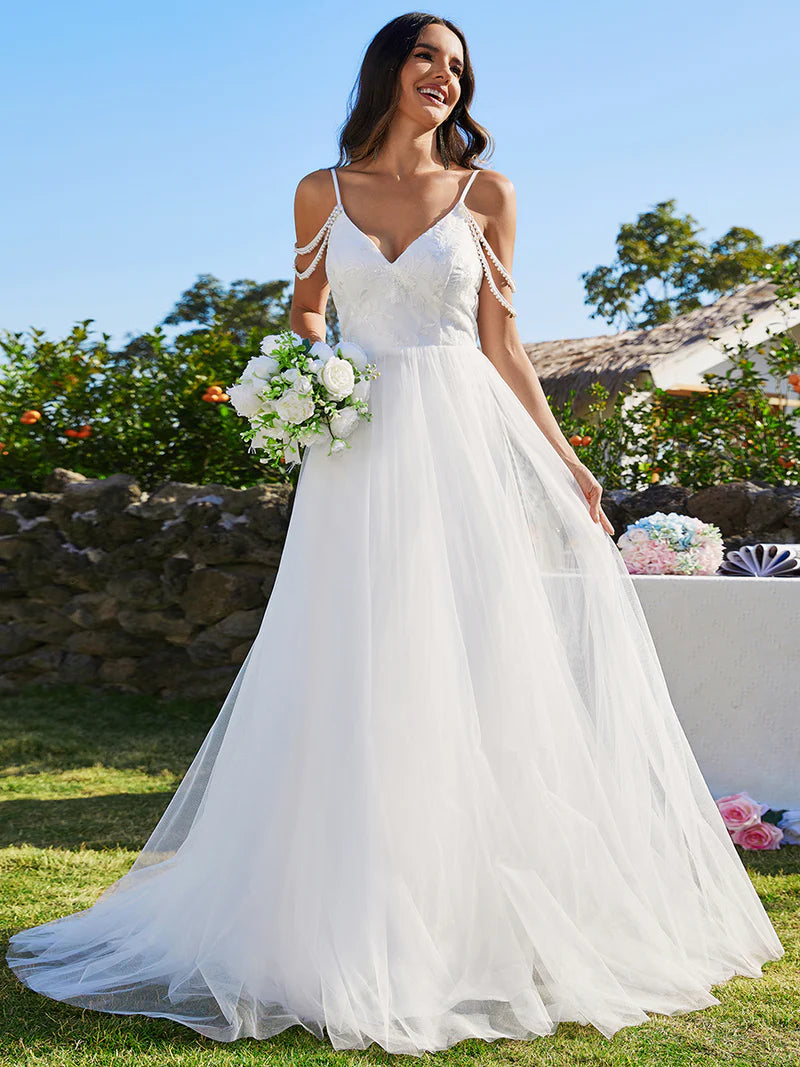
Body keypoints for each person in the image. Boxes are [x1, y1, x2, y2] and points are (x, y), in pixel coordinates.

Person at [6, 11, 784, 1057]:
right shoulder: (316, 191)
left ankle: (467, 907)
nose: (445, 78)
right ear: (387, 69)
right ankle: (322, 911)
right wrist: (301, 385)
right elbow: (305, 315)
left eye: (458, 67)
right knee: (347, 660)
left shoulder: (486, 195)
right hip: (356, 459)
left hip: (459, 447)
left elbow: (504, 346)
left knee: (468, 661)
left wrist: (567, 461)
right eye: (427, 57)